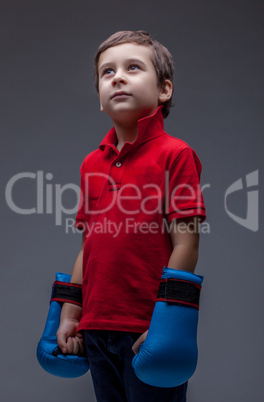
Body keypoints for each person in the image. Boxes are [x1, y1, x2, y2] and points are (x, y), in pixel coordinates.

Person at [56, 30, 206, 402]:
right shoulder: (91, 163)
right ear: (100, 101)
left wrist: (165, 324)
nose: (117, 77)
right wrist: (69, 313)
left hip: (147, 328)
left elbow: (186, 241)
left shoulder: (176, 154)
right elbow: (86, 246)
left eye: (133, 67)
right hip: (95, 326)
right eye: (107, 72)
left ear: (164, 90)